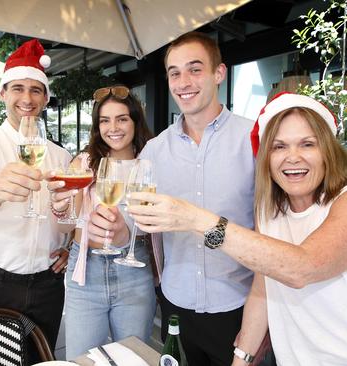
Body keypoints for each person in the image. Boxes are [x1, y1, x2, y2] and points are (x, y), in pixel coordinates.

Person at [127, 92, 347, 365]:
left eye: (307, 144)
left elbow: (303, 266)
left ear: (329, 150)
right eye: (279, 146)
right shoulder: (271, 212)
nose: (292, 157)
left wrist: (195, 219)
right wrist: (241, 357)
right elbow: (263, 283)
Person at [88, 32, 256, 366]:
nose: (183, 82)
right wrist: (117, 230)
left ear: (218, 73)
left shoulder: (253, 140)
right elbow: (137, 226)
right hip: (176, 304)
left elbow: (271, 228)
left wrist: (258, 326)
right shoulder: (154, 150)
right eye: (174, 73)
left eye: (195, 69)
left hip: (239, 306)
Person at [0, 38, 72, 353]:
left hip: (48, 283)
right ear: (3, 93)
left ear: (46, 98)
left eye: (36, 90)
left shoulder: (60, 156)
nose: (27, 98)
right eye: (18, 88)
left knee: (42, 355)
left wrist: (69, 245)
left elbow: (69, 213)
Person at [50, 86, 155, 360]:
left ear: (135, 120)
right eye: (105, 120)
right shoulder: (85, 162)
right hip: (86, 270)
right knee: (81, 360)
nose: (113, 128)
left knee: (134, 358)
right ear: (97, 126)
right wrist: (61, 209)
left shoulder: (150, 161)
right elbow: (66, 225)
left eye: (122, 118)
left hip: (135, 269)